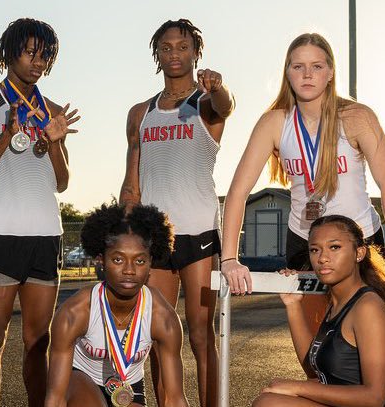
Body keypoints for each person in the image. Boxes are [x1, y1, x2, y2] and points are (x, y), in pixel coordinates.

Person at [219, 32, 385, 353]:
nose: (307, 74)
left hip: (360, 241)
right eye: (298, 67)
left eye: (316, 66)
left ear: (331, 72)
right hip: (304, 241)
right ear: (287, 72)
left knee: (359, 350)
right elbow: (238, 191)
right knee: (316, 350)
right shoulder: (274, 123)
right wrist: (229, 259)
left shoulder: (356, 117)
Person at [0, 18, 81, 407]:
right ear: (9, 53)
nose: (37, 62)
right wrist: (7, 137)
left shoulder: (54, 109)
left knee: (37, 342)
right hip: (1, 233)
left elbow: (62, 183)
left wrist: (55, 142)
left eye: (44, 55)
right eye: (30, 52)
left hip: (46, 235)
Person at [118, 19, 232, 405]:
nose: (174, 54)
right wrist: (124, 228)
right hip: (154, 237)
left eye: (182, 47)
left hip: (199, 232)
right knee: (155, 332)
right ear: (157, 55)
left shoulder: (204, 103)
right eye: (166, 48)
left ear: (196, 53)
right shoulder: (140, 113)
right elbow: (131, 181)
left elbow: (224, 106)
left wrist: (219, 88)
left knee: (201, 334)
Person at [44, 204, 188, 407]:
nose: (129, 270)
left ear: (150, 263)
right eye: (118, 259)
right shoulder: (75, 312)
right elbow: (55, 398)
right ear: (101, 260)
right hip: (79, 383)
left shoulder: (162, 316)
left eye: (139, 261)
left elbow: (175, 398)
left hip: (127, 389)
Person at [253, 215, 385, 407]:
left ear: (359, 253)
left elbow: (374, 398)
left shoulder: (367, 307)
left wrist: (296, 387)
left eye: (334, 247)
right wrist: (293, 305)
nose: (322, 258)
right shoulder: (336, 302)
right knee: (270, 401)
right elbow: (316, 372)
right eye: (315, 250)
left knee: (269, 403)